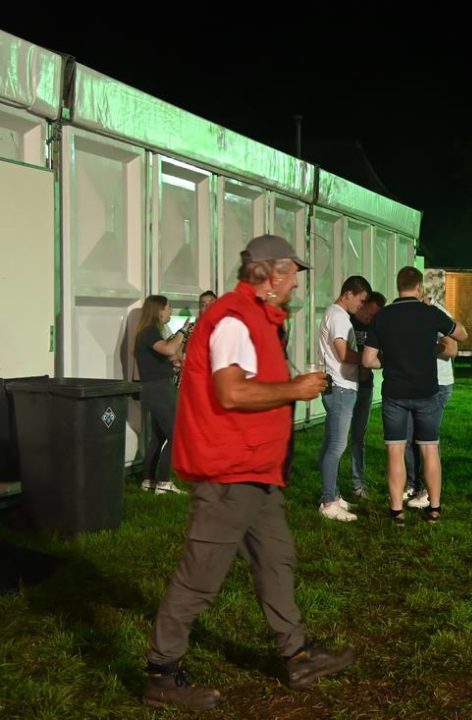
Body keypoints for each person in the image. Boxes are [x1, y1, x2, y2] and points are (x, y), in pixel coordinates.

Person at [143, 235, 355, 710]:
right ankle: (161, 671)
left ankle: (297, 654)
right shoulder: (235, 320)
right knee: (200, 578)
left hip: (256, 470)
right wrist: (294, 389)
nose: (296, 283)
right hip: (228, 471)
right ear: (269, 274)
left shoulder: (257, 319)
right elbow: (231, 392)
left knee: (276, 560)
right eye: (292, 273)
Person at [362, 266, 468, 525]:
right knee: (429, 449)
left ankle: (397, 510)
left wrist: (388, 360)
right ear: (419, 287)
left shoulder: (383, 316)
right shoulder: (430, 313)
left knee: (395, 450)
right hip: (427, 393)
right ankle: (434, 507)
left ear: (398, 287)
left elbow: (367, 360)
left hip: (395, 394)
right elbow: (462, 334)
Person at [316, 275, 372, 521]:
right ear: (348, 294)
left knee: (331, 444)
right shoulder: (339, 316)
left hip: (338, 386)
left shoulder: (334, 314)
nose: (362, 305)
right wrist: (368, 359)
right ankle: (329, 502)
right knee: (336, 446)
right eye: (361, 300)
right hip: (340, 387)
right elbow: (341, 353)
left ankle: (332, 494)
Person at [404, 287, 458, 509]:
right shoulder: (411, 314)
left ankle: (428, 492)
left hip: (438, 385)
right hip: (417, 384)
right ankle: (412, 484)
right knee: (409, 435)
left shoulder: (437, 313)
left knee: (427, 438)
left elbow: (452, 348)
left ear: (420, 293)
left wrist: (424, 348)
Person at [133, 295, 189, 495]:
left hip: (155, 389)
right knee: (176, 434)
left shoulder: (151, 332)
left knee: (158, 436)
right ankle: (164, 482)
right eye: (168, 307)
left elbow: (173, 355)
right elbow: (169, 349)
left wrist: (181, 340)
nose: (170, 310)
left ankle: (148, 480)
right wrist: (182, 331)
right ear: (159, 310)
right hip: (159, 390)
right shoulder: (149, 332)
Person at [349, 291, 386, 500]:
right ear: (363, 304)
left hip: (365, 386)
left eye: (375, 315)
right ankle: (330, 489)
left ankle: (358, 484)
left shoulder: (375, 327)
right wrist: (361, 362)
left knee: (358, 437)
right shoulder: (347, 321)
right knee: (336, 441)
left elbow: (380, 356)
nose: (371, 318)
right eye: (370, 313)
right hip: (345, 385)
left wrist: (370, 364)